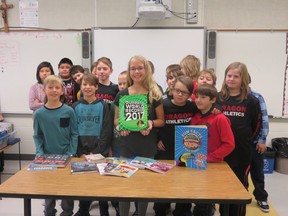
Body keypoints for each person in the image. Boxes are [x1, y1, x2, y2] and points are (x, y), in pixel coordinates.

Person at [114, 55, 164, 216]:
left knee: (143, 187)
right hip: (126, 145)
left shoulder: (154, 93)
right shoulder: (122, 94)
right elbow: (116, 120)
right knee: (125, 186)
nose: (136, 71)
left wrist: (150, 123)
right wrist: (120, 126)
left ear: (146, 70)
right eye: (133, 68)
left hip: (147, 146)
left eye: (140, 68)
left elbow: (161, 121)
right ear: (129, 71)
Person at [217, 62, 262, 216]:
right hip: (222, 154)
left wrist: (247, 141)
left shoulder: (251, 101)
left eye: (236, 76)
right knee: (223, 189)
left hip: (242, 154)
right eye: (229, 75)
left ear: (243, 79)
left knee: (239, 190)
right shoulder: (218, 98)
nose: (231, 79)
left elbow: (257, 125)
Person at [33, 75, 78, 216]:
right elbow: (37, 135)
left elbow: (74, 134)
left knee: (66, 189)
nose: (53, 90)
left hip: (66, 156)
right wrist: (40, 152)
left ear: (62, 90)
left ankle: (67, 212)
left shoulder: (69, 111)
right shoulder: (39, 114)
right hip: (47, 157)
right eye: (50, 87)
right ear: (44, 90)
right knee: (48, 188)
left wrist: (71, 153)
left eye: (57, 87)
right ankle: (49, 212)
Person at [154, 75, 198, 216]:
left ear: (190, 94)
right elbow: (152, 122)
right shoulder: (163, 104)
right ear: (171, 89)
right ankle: (161, 208)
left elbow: (204, 117)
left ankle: (182, 209)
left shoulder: (192, 107)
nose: (179, 94)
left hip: (185, 151)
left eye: (184, 92)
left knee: (185, 182)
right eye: (177, 90)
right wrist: (156, 139)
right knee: (163, 182)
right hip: (164, 150)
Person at [191, 84, 235, 216]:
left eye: (203, 97)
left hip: (212, 165)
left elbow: (229, 144)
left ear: (213, 100)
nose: (198, 100)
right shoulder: (195, 118)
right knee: (197, 197)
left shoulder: (220, 119)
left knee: (205, 201)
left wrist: (209, 158)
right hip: (195, 163)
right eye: (197, 96)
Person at [72, 73, 113, 216]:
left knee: (101, 182)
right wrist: (80, 152)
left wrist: (99, 151)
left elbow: (107, 129)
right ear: (81, 87)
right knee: (84, 182)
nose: (87, 87)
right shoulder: (75, 106)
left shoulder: (103, 105)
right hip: (82, 151)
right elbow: (73, 132)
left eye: (91, 84)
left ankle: (104, 210)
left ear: (96, 87)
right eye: (84, 84)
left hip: (99, 151)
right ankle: (83, 210)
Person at [248, 74, 270, 213]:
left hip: (255, 142)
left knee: (257, 171)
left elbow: (264, 119)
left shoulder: (257, 97)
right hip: (237, 144)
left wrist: (262, 140)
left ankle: (261, 197)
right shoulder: (229, 97)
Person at [111, 70, 128, 158]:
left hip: (132, 142)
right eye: (120, 84)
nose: (122, 86)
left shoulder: (138, 101)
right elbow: (112, 122)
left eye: (125, 83)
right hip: (117, 142)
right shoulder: (114, 103)